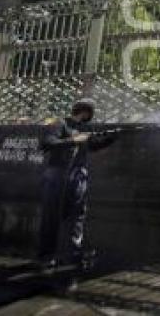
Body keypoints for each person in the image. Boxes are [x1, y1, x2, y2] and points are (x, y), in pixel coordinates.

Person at [37, 98, 116, 269]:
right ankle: (46, 255)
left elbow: (93, 146)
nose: (90, 115)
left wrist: (112, 137)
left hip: (78, 177)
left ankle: (73, 253)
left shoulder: (85, 129)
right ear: (85, 111)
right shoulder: (60, 124)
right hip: (57, 175)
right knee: (52, 215)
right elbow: (47, 143)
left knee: (77, 216)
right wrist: (74, 140)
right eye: (89, 112)